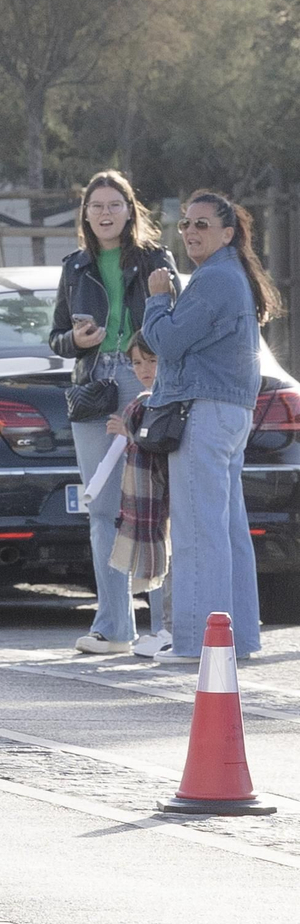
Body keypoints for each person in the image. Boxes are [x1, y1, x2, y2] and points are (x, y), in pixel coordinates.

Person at [141, 190, 281, 663]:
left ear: (227, 233)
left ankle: (197, 643)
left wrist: (158, 301)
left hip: (204, 412)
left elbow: (169, 342)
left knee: (199, 531)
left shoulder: (216, 278)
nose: (190, 232)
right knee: (226, 530)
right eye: (184, 224)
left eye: (202, 224)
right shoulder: (228, 276)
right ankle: (235, 638)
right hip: (228, 413)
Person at [48, 171, 179, 654]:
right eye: (97, 206)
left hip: (144, 375)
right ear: (85, 214)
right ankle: (114, 628)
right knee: (102, 505)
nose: (105, 213)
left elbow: (174, 319)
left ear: (130, 210)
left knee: (153, 502)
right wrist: (74, 341)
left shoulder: (155, 259)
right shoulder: (75, 267)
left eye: (114, 205)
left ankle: (166, 629)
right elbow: (56, 337)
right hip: (93, 385)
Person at [106, 332, 172, 657]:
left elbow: (157, 435)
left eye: (152, 360)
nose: (144, 369)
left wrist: (130, 429)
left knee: (173, 553)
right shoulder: (145, 400)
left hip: (168, 496)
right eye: (136, 362)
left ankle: (170, 630)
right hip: (160, 497)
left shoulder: (157, 400)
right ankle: (167, 629)